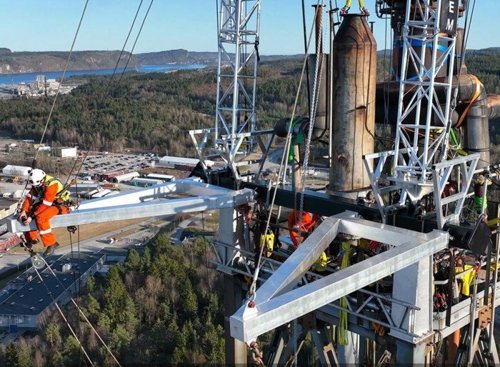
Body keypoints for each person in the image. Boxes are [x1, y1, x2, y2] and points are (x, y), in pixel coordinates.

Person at [18, 169, 71, 256]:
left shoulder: (52, 185)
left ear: (42, 180)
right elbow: (29, 198)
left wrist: (32, 216)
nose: (36, 187)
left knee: (41, 217)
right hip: (49, 204)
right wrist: (24, 210)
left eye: (38, 185)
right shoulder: (37, 185)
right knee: (26, 213)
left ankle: (52, 243)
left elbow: (46, 204)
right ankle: (32, 238)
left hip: (60, 206)